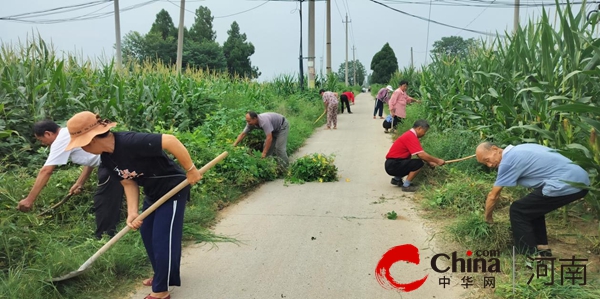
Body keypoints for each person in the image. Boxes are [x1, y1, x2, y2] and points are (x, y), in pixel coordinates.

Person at [65, 111, 202, 299]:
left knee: (164, 237)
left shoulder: (129, 141)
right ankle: (161, 275)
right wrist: (132, 212)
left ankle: (161, 291)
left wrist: (191, 170)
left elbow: (170, 141)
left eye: (82, 146)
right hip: (153, 193)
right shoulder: (107, 158)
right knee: (147, 233)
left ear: (92, 140)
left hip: (174, 188)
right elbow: (128, 182)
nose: (84, 150)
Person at [475, 142, 590, 257]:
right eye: (485, 163)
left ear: (495, 149)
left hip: (568, 183)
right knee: (532, 209)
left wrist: (488, 218)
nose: (489, 165)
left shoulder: (507, 162)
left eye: (487, 160)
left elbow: (493, 196)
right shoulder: (520, 148)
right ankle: (542, 248)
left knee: (518, 210)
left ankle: (529, 254)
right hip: (580, 180)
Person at [17, 120, 124, 239]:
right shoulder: (68, 134)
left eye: (41, 140)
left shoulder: (60, 140)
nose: (43, 144)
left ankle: (104, 239)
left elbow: (46, 171)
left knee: (104, 200)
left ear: (48, 134)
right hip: (110, 161)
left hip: (112, 162)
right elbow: (92, 157)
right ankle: (111, 234)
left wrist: (29, 200)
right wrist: (79, 182)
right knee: (109, 198)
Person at [384, 120, 445, 192]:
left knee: (409, 161)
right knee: (418, 163)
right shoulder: (411, 136)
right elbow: (421, 155)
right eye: (424, 132)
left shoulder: (409, 134)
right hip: (393, 165)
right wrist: (438, 161)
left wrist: (429, 162)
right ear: (419, 128)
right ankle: (406, 186)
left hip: (392, 163)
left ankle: (396, 179)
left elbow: (418, 154)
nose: (424, 134)